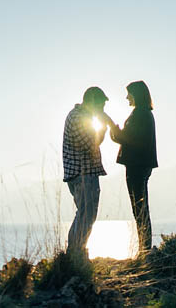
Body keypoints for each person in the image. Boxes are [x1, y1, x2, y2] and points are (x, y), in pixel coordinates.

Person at [109, 81, 158, 256]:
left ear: (136, 94)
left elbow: (129, 139)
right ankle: (144, 248)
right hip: (141, 165)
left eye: (129, 93)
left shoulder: (140, 114)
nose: (126, 97)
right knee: (140, 207)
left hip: (137, 165)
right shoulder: (144, 113)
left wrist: (114, 129)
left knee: (139, 208)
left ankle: (144, 250)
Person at [62, 87, 109, 257]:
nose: (103, 109)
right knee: (86, 215)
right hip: (83, 175)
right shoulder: (78, 118)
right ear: (93, 102)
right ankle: (75, 253)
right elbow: (91, 145)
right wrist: (104, 128)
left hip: (81, 174)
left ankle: (76, 252)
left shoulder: (81, 116)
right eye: (102, 105)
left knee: (85, 214)